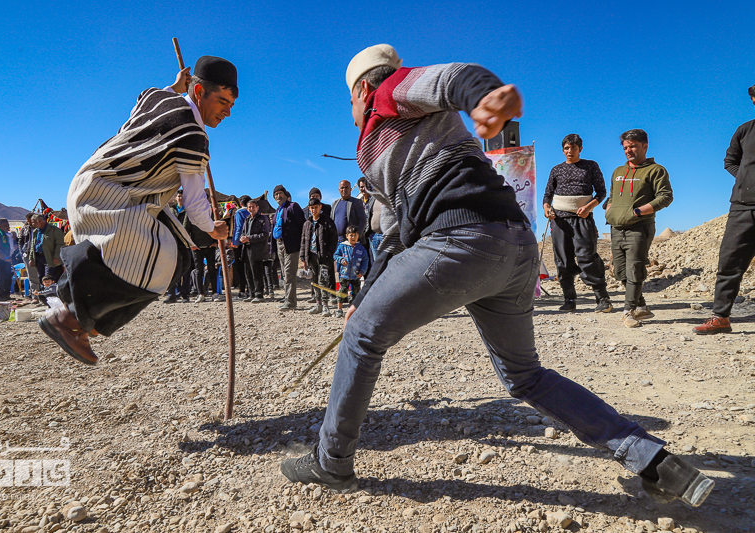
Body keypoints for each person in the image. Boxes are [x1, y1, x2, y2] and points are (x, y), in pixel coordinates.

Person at [280, 44, 713, 508]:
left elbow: (452, 79)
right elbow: (391, 238)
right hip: (513, 245)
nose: (350, 109)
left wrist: (485, 97)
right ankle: (656, 461)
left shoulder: (389, 91)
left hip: (460, 240)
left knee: (363, 339)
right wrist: (362, 300)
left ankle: (331, 461)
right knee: (525, 376)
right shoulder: (373, 155)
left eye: (348, 99)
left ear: (361, 89)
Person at [38, 56, 234, 365]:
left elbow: (146, 95)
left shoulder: (159, 97)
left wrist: (173, 86)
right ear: (198, 92)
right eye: (222, 100)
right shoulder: (194, 137)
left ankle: (79, 319)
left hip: (88, 184)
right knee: (164, 262)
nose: (227, 110)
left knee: (177, 251)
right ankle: (69, 314)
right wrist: (214, 228)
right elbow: (195, 205)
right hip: (110, 196)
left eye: (231, 104)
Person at [694, 84, 755, 334]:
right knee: (730, 261)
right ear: (753, 99)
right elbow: (730, 161)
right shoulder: (745, 130)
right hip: (742, 206)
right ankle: (721, 318)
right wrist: (744, 177)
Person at [604, 129, 673, 328]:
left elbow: (666, 196)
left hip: (639, 227)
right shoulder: (618, 172)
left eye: (633, 146)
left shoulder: (655, 170)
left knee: (634, 268)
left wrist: (638, 212)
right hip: (616, 227)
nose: (628, 150)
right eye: (625, 147)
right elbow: (612, 196)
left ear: (645, 145)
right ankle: (641, 306)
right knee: (619, 272)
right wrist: (609, 209)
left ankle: (628, 311)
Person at [543, 134, 611, 313]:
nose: (569, 151)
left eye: (573, 148)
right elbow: (547, 194)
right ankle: (569, 300)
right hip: (559, 221)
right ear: (562, 150)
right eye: (566, 148)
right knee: (563, 260)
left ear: (580, 149)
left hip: (583, 219)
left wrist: (588, 207)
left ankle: (602, 298)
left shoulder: (590, 166)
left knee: (587, 256)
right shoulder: (556, 169)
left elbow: (602, 192)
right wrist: (546, 208)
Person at [301, 197, 338, 316]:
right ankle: (318, 304)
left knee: (324, 280)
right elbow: (303, 241)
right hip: (311, 256)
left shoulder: (327, 221)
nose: (313, 210)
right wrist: (303, 257)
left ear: (320, 207)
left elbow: (334, 238)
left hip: (324, 257)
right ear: (309, 208)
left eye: (316, 207)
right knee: (314, 281)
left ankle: (326, 306)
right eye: (311, 208)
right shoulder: (307, 223)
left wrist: (329, 252)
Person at [272, 185, 306, 311]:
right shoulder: (277, 210)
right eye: (275, 194)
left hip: (291, 244)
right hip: (279, 244)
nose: (278, 196)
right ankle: (287, 297)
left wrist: (303, 244)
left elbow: (303, 225)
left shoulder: (293, 206)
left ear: (286, 195)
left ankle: (291, 302)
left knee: (289, 273)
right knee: (284, 273)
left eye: (280, 193)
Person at [184, 191, 219, 303]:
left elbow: (216, 225)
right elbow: (185, 230)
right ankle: (201, 294)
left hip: (210, 246)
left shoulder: (210, 211)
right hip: (196, 247)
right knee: (198, 271)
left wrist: (215, 242)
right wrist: (191, 244)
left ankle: (214, 294)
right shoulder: (190, 212)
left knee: (212, 270)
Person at [333, 225, 369, 318]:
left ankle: (352, 310)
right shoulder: (342, 246)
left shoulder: (361, 248)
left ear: (358, 236)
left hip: (356, 276)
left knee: (356, 294)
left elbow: (365, 261)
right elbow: (335, 255)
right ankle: (339, 309)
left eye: (355, 235)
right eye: (351, 235)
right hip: (344, 275)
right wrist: (341, 260)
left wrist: (362, 271)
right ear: (346, 236)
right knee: (342, 292)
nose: (353, 237)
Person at [240, 198, 271, 303]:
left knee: (256, 273)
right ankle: (251, 293)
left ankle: (259, 294)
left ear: (257, 207)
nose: (251, 208)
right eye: (249, 207)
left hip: (257, 250)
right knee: (248, 272)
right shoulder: (247, 219)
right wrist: (242, 238)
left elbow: (265, 234)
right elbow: (244, 232)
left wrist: (249, 238)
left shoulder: (263, 219)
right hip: (246, 249)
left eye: (253, 206)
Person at [164, 190, 193, 303]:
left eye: (182, 197)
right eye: (179, 196)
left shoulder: (188, 211)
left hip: (185, 243)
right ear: (176, 198)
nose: (180, 198)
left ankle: (185, 294)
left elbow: (190, 227)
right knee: (172, 270)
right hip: (172, 242)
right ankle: (172, 294)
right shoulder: (171, 210)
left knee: (186, 269)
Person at [28, 214, 66, 284]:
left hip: (50, 258)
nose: (32, 224)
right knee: (41, 278)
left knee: (49, 277)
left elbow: (59, 245)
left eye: (33, 222)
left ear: (40, 221)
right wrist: (31, 258)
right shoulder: (35, 232)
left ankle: (51, 294)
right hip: (38, 258)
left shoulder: (54, 230)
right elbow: (33, 246)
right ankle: (43, 293)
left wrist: (56, 256)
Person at [231, 195, 252, 299]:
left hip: (240, 243)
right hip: (251, 242)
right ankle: (250, 290)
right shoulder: (253, 212)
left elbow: (238, 227)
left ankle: (242, 290)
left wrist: (235, 241)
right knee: (249, 267)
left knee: (240, 267)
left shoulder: (239, 212)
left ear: (240, 203)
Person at [18, 213, 40, 292]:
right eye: (28, 221)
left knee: (42, 275)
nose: (29, 223)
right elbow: (20, 242)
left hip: (40, 254)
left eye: (31, 221)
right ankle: (35, 295)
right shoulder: (25, 229)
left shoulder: (41, 229)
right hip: (27, 255)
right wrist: (22, 253)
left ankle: (44, 294)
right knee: (32, 276)